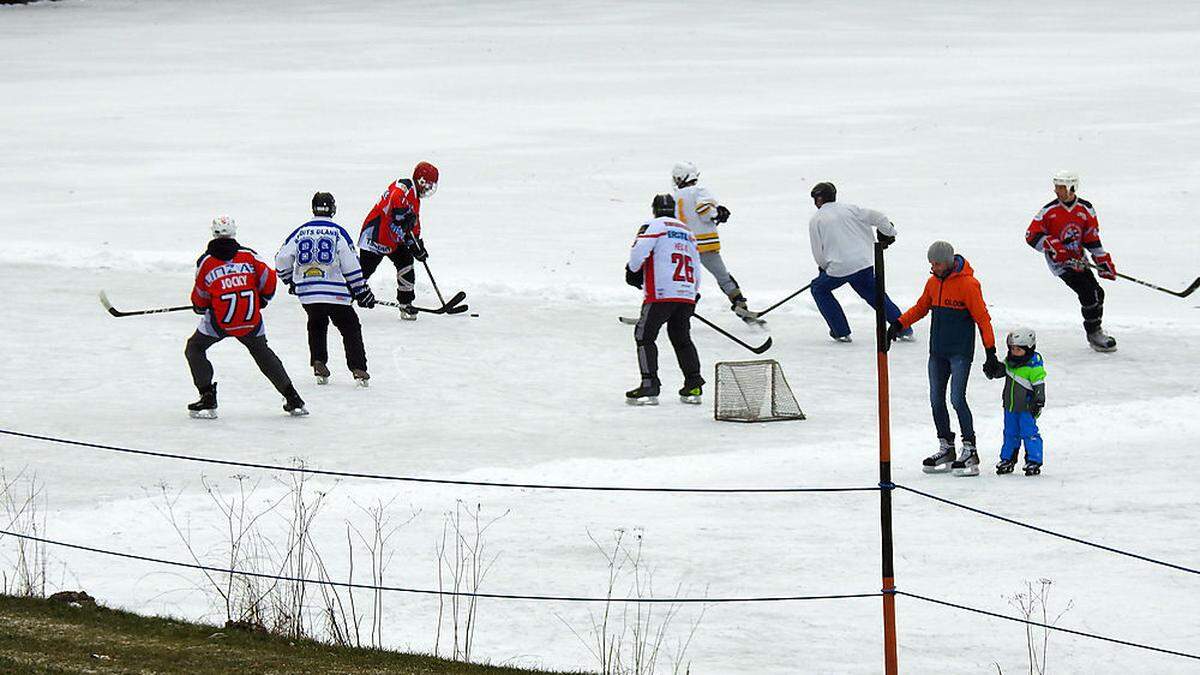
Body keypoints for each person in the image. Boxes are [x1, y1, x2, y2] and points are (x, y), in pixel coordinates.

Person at [887, 241, 1003, 476]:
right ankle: (946, 447)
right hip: (937, 352)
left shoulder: (969, 285)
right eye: (931, 263)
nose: (934, 267)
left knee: (957, 399)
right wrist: (898, 324)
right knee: (935, 400)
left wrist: (991, 353)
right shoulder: (932, 283)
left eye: (937, 263)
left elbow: (983, 320)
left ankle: (970, 448)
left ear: (949, 261)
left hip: (960, 352)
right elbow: (921, 308)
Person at [186, 216, 307, 418]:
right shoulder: (250, 256)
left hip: (220, 322)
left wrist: (201, 307)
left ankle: (207, 395)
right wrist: (262, 299)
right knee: (262, 353)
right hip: (251, 320)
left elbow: (200, 296)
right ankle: (293, 397)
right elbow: (268, 280)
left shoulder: (206, 262)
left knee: (194, 348)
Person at [276, 192, 377, 387]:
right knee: (350, 326)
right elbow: (351, 264)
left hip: (308, 293)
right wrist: (361, 290)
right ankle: (358, 369)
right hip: (336, 293)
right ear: (333, 208)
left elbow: (281, 259)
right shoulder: (338, 232)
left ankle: (318, 362)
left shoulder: (300, 232)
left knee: (316, 323)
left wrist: (290, 281)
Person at [625, 194, 704, 406]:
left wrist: (632, 271)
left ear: (654, 209)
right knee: (681, 338)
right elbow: (697, 264)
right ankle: (693, 384)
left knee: (644, 335)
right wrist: (693, 292)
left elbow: (639, 251)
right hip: (686, 292)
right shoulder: (688, 232)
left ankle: (649, 385)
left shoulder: (654, 225)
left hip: (661, 293)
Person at [807, 181, 912, 343]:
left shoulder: (816, 220)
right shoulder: (851, 209)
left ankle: (840, 331)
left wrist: (823, 267)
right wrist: (889, 232)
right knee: (876, 296)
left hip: (839, 269)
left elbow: (817, 251)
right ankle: (903, 328)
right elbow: (879, 217)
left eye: (816, 198)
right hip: (863, 264)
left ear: (819, 199)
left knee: (819, 288)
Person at [1024, 170, 1117, 352]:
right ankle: (1094, 334)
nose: (1056, 191)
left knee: (1099, 293)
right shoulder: (1048, 211)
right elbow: (1031, 235)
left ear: (1072, 187)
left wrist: (1101, 259)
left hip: (1079, 260)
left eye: (1061, 187)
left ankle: (1096, 330)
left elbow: (1091, 238)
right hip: (1061, 264)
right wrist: (1051, 244)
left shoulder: (1085, 209)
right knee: (1088, 293)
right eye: (1056, 186)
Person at [670, 162, 757, 324]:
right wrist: (717, 213)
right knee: (723, 276)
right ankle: (741, 306)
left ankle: (676, 309)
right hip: (706, 245)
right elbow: (704, 211)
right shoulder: (699, 191)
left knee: (686, 279)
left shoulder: (674, 197)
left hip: (685, 246)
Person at [358, 161, 439, 320]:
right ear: (420, 180)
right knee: (363, 272)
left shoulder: (415, 198)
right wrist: (401, 214)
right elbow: (395, 198)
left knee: (406, 263)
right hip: (375, 237)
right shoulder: (404, 185)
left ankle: (406, 304)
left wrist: (417, 245)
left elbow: (413, 223)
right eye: (428, 185)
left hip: (393, 241)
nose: (429, 189)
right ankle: (341, 296)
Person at [995, 328, 1046, 476]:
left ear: (1028, 348)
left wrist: (1039, 401)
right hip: (1010, 406)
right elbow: (999, 372)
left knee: (1029, 432)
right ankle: (1007, 459)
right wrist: (992, 368)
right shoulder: (1009, 363)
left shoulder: (1033, 367)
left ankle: (1033, 460)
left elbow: (1039, 385)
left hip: (1027, 407)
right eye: (1012, 349)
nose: (1014, 352)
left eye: (1018, 349)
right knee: (1010, 433)